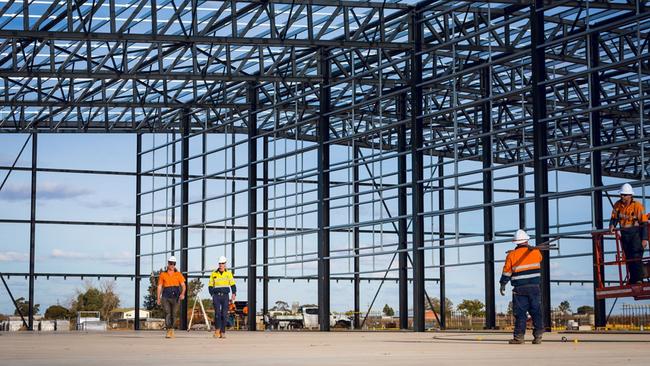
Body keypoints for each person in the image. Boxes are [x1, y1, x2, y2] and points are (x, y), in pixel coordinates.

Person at [499, 229, 544, 344]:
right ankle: (538, 335)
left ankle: (519, 337)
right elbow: (539, 259)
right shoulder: (536, 252)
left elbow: (507, 272)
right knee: (536, 311)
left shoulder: (511, 255)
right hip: (534, 287)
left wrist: (503, 284)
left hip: (520, 289)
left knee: (520, 313)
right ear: (527, 240)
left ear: (515, 242)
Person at [609, 183, 648, 284]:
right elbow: (614, 218)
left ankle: (639, 279)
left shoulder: (638, 206)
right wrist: (612, 225)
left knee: (636, 257)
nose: (622, 196)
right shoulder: (617, 205)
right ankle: (633, 279)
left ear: (630, 195)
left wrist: (644, 238)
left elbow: (644, 223)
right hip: (625, 235)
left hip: (636, 235)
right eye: (621, 194)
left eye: (624, 194)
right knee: (629, 258)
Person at [156, 256, 186, 339]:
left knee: (174, 314)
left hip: (176, 297)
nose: (172, 265)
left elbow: (183, 285)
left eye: (174, 264)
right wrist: (158, 298)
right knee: (167, 312)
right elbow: (159, 286)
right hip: (165, 296)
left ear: (175, 265)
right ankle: (169, 330)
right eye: (170, 263)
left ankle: (172, 329)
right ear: (168, 264)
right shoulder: (163, 274)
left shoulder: (178, 274)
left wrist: (182, 293)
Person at [208, 256, 236, 338]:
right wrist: (212, 294)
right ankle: (217, 330)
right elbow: (210, 285)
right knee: (217, 314)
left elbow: (233, 284)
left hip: (225, 297)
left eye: (222, 263)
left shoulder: (228, 273)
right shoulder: (214, 273)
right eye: (220, 263)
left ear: (225, 264)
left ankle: (222, 332)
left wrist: (234, 293)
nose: (221, 265)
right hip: (216, 296)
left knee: (224, 314)